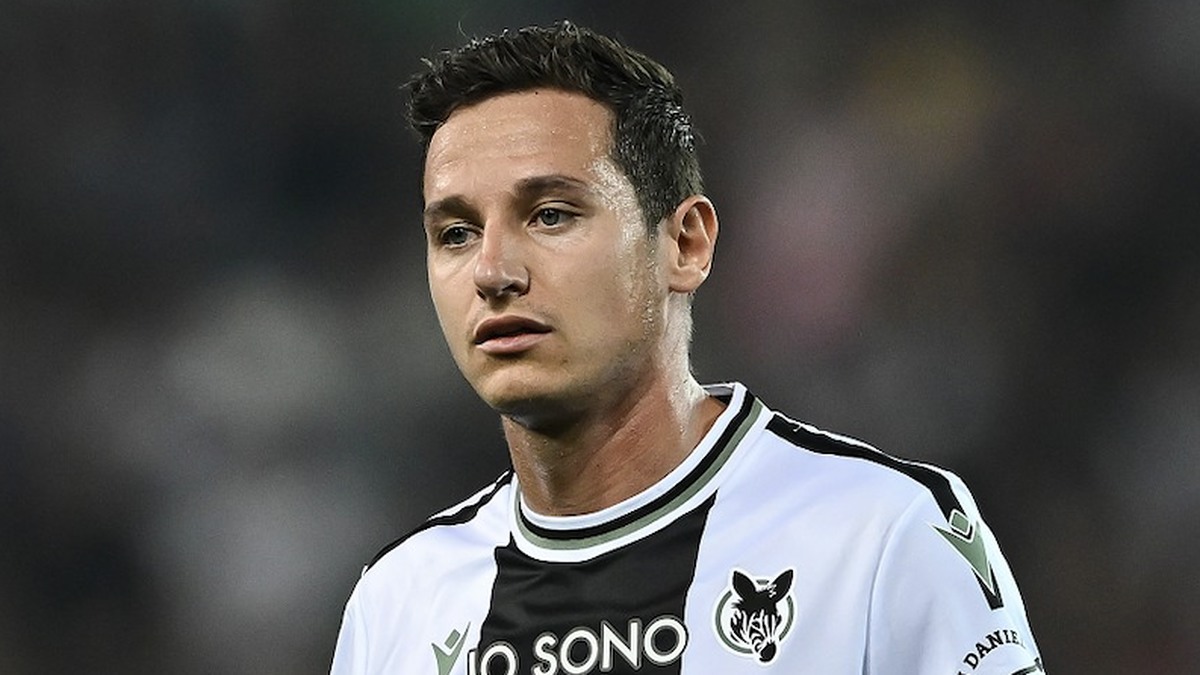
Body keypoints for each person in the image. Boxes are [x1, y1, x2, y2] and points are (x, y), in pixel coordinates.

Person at [331, 21, 1044, 675]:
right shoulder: (399, 602)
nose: (492, 272)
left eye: (549, 214)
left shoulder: (882, 534)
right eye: (455, 233)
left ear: (685, 244)